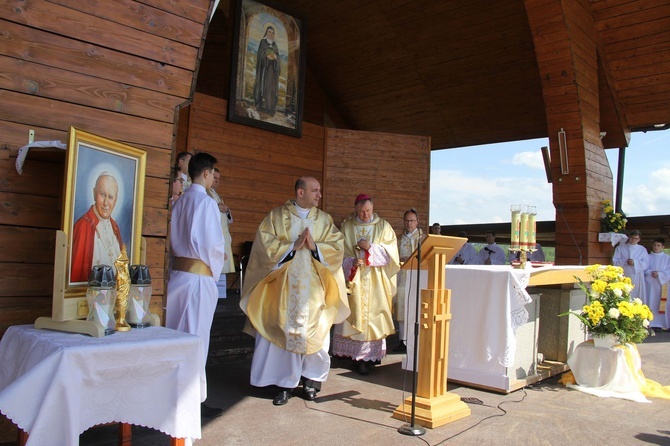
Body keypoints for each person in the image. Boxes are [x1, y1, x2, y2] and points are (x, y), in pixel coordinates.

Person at [240, 177, 349, 406]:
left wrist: (315, 247)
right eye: (315, 191)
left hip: (314, 290)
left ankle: (311, 381)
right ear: (300, 192)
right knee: (282, 332)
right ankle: (284, 384)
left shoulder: (324, 220)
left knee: (315, 333)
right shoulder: (277, 216)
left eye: (319, 191)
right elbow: (263, 246)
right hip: (283, 289)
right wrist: (291, 246)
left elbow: (338, 248)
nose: (319, 195)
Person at [165, 152, 226, 418]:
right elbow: (212, 244)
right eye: (213, 173)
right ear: (206, 173)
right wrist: (216, 266)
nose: (214, 178)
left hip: (178, 277)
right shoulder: (206, 202)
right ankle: (193, 402)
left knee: (176, 335)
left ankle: (171, 394)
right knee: (196, 339)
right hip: (199, 279)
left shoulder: (180, 202)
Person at [333, 194, 400, 375]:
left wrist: (371, 248)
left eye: (368, 211)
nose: (365, 215)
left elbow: (392, 254)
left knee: (372, 316)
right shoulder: (347, 226)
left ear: (373, 208)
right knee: (353, 313)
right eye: (361, 211)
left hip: (375, 280)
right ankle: (351, 356)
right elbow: (338, 253)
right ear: (355, 209)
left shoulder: (383, 226)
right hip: (353, 279)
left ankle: (369, 358)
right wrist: (350, 262)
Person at [70, 172, 123, 283]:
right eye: (102, 194)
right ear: (94, 193)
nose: (105, 203)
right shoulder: (82, 226)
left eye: (110, 197)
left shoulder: (115, 228)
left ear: (115, 200)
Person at [393, 208, 421, 352]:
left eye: (412, 220)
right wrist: (399, 259)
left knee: (415, 309)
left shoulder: (423, 238)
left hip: (417, 278)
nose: (409, 223)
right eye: (407, 220)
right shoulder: (398, 239)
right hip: (402, 279)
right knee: (401, 308)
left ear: (417, 221)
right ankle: (402, 340)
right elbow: (392, 257)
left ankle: (414, 340)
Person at [208, 168, 235, 276]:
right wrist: (216, 207)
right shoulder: (205, 193)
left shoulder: (217, 196)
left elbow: (228, 219)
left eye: (219, 179)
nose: (217, 181)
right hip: (213, 235)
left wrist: (227, 211)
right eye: (215, 178)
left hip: (223, 235)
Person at [613, 230, 648, 301]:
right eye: (632, 238)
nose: (633, 240)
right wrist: (625, 262)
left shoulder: (642, 249)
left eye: (636, 239)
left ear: (639, 239)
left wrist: (635, 263)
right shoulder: (620, 248)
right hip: (624, 274)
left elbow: (646, 263)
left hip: (637, 276)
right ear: (629, 237)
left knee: (636, 296)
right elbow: (615, 261)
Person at [253, 26, 280, 116]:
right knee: (264, 87)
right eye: (269, 32)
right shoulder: (263, 42)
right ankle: (262, 106)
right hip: (265, 70)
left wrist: (276, 58)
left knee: (271, 88)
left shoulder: (275, 45)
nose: (271, 34)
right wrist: (266, 56)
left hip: (272, 72)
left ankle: (270, 108)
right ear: (266, 32)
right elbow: (260, 54)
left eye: (273, 33)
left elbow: (278, 58)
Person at [645, 238, 669, 330]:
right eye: (654, 245)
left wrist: (659, 274)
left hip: (661, 284)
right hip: (650, 283)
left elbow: (669, 271)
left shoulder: (667, 258)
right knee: (650, 301)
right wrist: (650, 272)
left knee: (662, 303)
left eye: (658, 245)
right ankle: (651, 323)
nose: (656, 247)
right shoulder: (648, 256)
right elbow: (644, 268)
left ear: (663, 247)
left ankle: (662, 323)